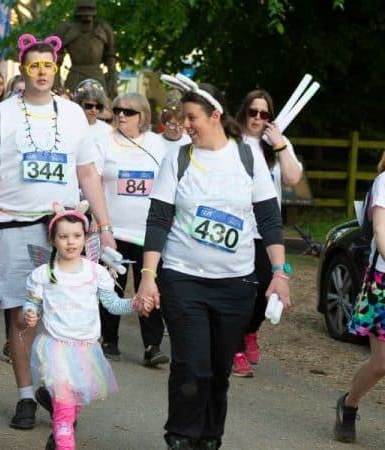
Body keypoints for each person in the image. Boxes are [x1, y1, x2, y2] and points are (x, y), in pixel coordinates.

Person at [136, 76, 290, 449]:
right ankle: (180, 438)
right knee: (191, 365)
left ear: (215, 115)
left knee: (218, 370)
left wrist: (280, 273)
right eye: (183, 117)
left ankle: (209, 438)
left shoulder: (247, 155)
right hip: (182, 277)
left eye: (192, 117)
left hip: (235, 283)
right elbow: (158, 219)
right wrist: (148, 277)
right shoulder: (178, 157)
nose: (185, 125)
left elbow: (269, 218)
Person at [0, 33, 115, 431]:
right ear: (23, 70)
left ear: (56, 70)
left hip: (63, 229)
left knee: (64, 314)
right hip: (15, 225)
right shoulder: (1, 114)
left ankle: (55, 388)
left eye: (47, 66)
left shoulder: (71, 114)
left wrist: (104, 228)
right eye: (33, 65)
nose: (41, 72)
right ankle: (24, 395)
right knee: (23, 316)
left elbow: (88, 171)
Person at [23, 201, 151, 450]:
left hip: (86, 349)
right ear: (53, 240)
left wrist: (134, 304)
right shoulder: (44, 273)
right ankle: (63, 442)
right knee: (64, 415)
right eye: (63, 236)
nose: (71, 242)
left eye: (76, 236)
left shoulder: (95, 272)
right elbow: (31, 303)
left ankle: (54, 414)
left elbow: (112, 305)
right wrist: (29, 313)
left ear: (85, 238)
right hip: (55, 348)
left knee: (74, 402)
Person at [231, 89, 303, 377]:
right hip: (237, 231)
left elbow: (293, 178)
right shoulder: (232, 143)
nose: (258, 118)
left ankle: (250, 332)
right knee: (240, 292)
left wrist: (280, 144)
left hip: (266, 233)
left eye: (264, 114)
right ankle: (235, 349)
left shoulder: (276, 144)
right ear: (244, 113)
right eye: (253, 112)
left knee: (265, 290)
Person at [98, 92, 170, 366]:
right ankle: (109, 340)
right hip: (114, 232)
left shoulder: (156, 144)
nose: (121, 115)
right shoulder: (105, 141)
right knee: (111, 287)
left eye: (129, 112)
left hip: (148, 233)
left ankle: (152, 346)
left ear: (143, 116)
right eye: (117, 110)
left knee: (149, 287)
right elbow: (92, 179)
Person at [335, 152, 385, 443]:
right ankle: (350, 404)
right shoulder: (384, 181)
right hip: (383, 281)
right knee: (381, 364)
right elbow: (380, 229)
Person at [54, 0, 117, 98]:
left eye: (89, 9)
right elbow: (55, 58)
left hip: (97, 76)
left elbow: (111, 57)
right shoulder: (66, 29)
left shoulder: (103, 29)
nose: (87, 14)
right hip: (75, 75)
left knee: (99, 106)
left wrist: (112, 84)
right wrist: (56, 85)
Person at [71, 79, 111, 171]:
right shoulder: (70, 127)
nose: (94, 110)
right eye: (89, 106)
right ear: (79, 104)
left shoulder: (108, 130)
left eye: (98, 106)